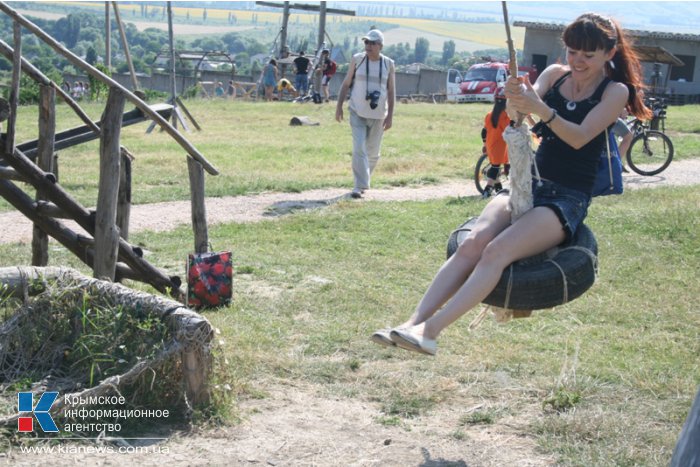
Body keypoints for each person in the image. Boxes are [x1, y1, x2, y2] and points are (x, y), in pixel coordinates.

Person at [370, 13, 651, 355]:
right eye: (572, 52)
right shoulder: (554, 76)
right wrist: (515, 100)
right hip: (526, 182)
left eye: (587, 55)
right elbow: (520, 120)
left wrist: (539, 108)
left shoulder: (615, 92)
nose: (577, 61)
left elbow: (579, 137)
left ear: (609, 53)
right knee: (472, 243)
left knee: (496, 251)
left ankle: (431, 332)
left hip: (566, 199)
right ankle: (410, 324)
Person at [335, 29, 396, 199]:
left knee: (373, 153)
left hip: (378, 115)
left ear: (380, 46)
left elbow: (391, 92)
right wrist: (339, 106)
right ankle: (359, 185)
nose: (368, 46)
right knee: (359, 147)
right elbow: (346, 84)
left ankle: (363, 179)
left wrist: (390, 115)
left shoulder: (389, 64)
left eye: (372, 43)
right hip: (357, 111)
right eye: (366, 42)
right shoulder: (357, 59)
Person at [480, 88, 510, 199]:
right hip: (501, 146)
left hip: (490, 144)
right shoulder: (505, 117)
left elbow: (484, 131)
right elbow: (509, 131)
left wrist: (484, 144)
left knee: (495, 166)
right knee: (495, 169)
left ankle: (498, 188)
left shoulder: (489, 115)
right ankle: (487, 191)